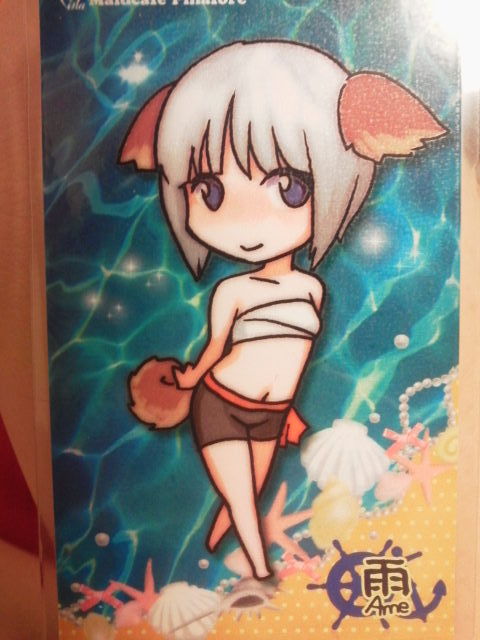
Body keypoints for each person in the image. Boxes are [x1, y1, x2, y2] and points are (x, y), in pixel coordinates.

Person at [119, 40, 446, 580]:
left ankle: (222, 547)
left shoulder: (312, 290)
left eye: (289, 187)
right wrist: (188, 380)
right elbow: (215, 349)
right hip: (221, 403)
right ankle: (260, 578)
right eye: (209, 191)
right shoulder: (231, 292)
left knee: (243, 498)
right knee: (243, 501)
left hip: (272, 412)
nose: (248, 222)